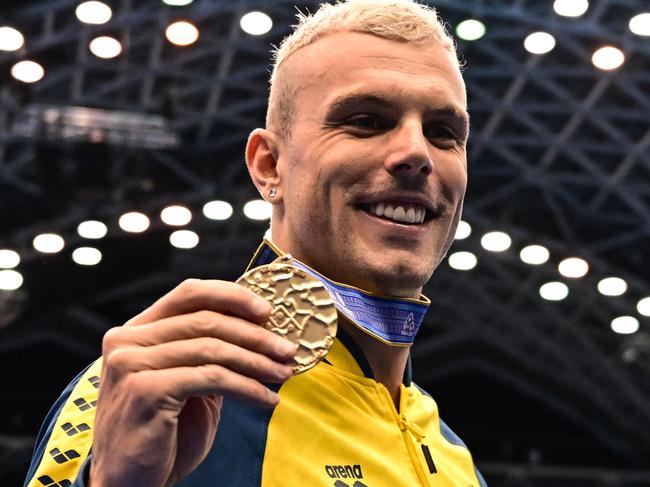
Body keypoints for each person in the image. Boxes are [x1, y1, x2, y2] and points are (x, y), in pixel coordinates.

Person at [24, 1, 487, 486]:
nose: (417, 152)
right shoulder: (156, 388)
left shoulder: (454, 454)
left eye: (442, 132)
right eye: (366, 121)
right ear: (269, 166)